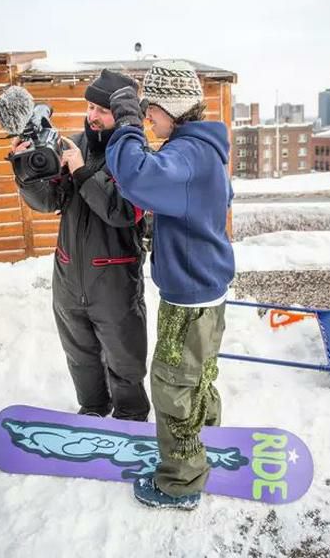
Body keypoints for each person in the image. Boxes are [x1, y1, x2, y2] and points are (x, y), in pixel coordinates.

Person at [106, 60, 235, 509]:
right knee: (198, 375)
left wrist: (125, 122)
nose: (147, 118)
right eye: (141, 112)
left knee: (171, 384)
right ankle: (207, 433)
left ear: (172, 109)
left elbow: (136, 176)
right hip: (207, 289)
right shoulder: (204, 150)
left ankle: (181, 481)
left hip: (188, 297)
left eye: (150, 110)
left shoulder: (187, 155)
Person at [11, 69, 150, 421]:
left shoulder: (134, 156)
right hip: (69, 277)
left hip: (114, 281)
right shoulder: (73, 145)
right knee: (80, 356)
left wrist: (81, 171)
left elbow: (121, 211)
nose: (93, 116)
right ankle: (92, 409)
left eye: (102, 110)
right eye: (90, 107)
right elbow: (48, 201)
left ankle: (131, 416)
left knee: (124, 357)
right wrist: (26, 173)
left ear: (121, 112)